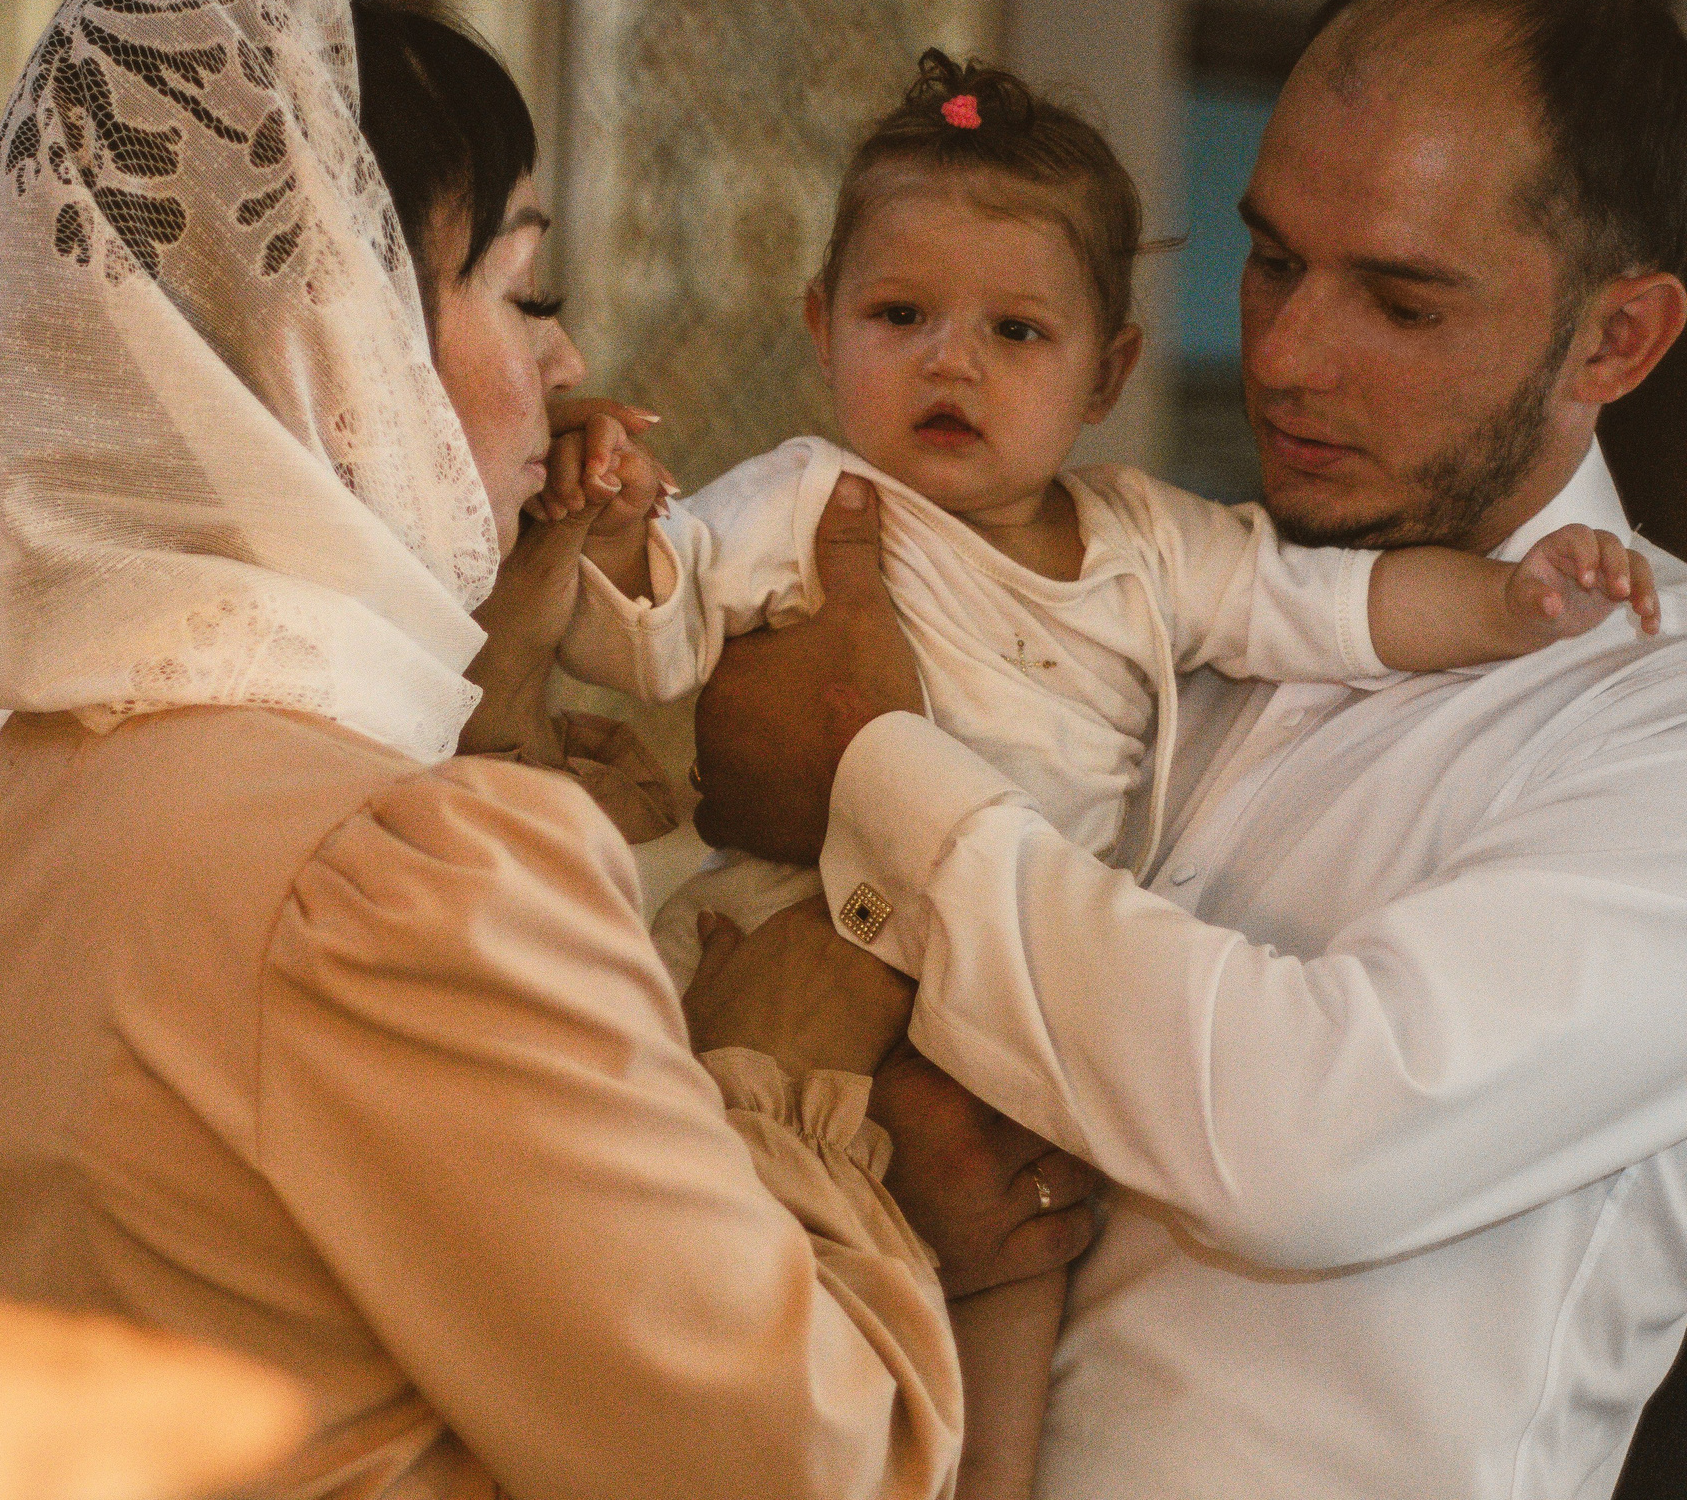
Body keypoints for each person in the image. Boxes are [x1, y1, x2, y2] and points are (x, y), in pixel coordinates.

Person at [0, 0, 1093, 1500]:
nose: (565, 363)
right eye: (521, 288)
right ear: (324, 340)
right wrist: (785, 1077)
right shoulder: (401, 880)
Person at [692, 0, 1687, 1500]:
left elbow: (1304, 1138)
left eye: (1397, 296)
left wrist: (870, 769)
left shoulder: (1653, 717)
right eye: (1272, 260)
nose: (1289, 354)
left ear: (1617, 341)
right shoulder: (1147, 586)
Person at [561, 48, 1655, 992]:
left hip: (1020, 995)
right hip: (782, 947)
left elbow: (1342, 606)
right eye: (899, 314)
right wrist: (610, 523)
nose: (950, 359)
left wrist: (1508, 600)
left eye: (1017, 331)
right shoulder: (804, 500)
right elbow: (648, 626)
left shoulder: (1147, 540)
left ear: (1106, 373)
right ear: (821, 325)